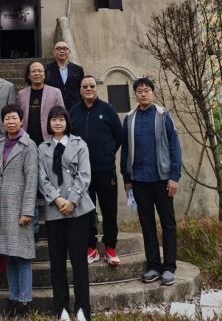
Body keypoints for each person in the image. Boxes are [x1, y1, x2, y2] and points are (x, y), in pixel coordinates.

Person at [121, 77, 182, 287]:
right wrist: (126, 178)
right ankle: (154, 266)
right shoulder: (129, 118)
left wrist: (174, 176)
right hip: (139, 181)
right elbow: (126, 150)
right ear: (135, 95)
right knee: (147, 225)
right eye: (139, 91)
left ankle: (169, 267)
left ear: (152, 93)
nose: (143, 93)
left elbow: (175, 146)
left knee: (168, 224)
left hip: (162, 180)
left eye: (146, 90)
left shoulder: (164, 116)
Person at [38, 106, 94, 321]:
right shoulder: (42, 148)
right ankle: (61, 307)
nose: (58, 123)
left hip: (78, 210)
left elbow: (85, 175)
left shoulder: (79, 144)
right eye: (54, 119)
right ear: (49, 123)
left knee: (79, 261)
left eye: (61, 119)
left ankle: (82, 308)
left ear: (67, 122)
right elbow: (42, 178)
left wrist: (71, 200)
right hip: (55, 211)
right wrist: (58, 199)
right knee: (57, 261)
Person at [70, 76, 123, 266]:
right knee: (86, 212)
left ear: (96, 88)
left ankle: (110, 247)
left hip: (105, 170)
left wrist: (107, 153)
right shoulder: (74, 112)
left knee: (109, 210)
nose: (89, 89)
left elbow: (119, 136)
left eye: (92, 86)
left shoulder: (107, 110)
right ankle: (90, 247)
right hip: (82, 174)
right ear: (80, 90)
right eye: (85, 86)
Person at [0, 104, 38, 317]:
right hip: (3, 208)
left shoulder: (29, 145)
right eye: (7, 118)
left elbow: (32, 179)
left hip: (20, 207)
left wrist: (28, 210)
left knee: (22, 257)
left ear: (21, 121)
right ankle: (13, 297)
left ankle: (24, 301)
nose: (10, 121)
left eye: (14, 118)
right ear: (3, 122)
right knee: (8, 256)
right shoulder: (0, 144)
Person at [17, 60, 64, 236]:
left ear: (45, 73)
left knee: (51, 181)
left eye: (40, 70)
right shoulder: (22, 94)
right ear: (28, 75)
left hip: (49, 143)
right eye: (33, 71)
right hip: (28, 144)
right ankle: (34, 227)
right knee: (30, 184)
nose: (37, 73)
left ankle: (55, 223)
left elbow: (62, 117)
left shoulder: (55, 92)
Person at [44, 41, 84, 111]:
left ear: (69, 51)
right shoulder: (47, 69)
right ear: (54, 52)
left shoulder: (78, 69)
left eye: (65, 48)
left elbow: (81, 89)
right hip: (54, 108)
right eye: (59, 49)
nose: (62, 51)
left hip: (74, 108)